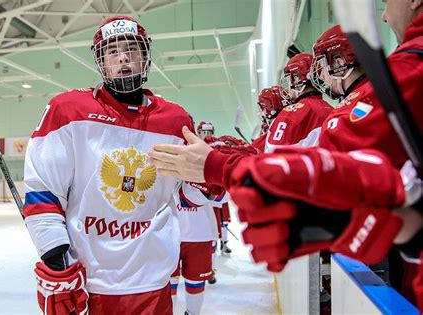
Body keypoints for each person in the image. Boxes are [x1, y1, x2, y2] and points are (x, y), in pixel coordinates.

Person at [148, 3, 423, 308]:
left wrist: (217, 165)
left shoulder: (403, 74)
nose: (383, 15)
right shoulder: (379, 83)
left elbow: (292, 168)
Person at [23, 15, 206, 315]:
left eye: (132, 50)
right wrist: (55, 256)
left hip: (153, 281)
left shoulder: (176, 122)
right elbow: (43, 189)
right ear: (101, 61)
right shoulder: (68, 111)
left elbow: (187, 196)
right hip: (90, 281)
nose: (123, 58)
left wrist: (207, 181)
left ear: (145, 57)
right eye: (112, 51)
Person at [171, 181, 229, 315]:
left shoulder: (202, 163)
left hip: (199, 234)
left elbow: (223, 197)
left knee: (195, 279)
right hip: (168, 232)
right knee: (169, 280)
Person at [266, 53, 333, 152]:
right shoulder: (332, 110)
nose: (288, 88)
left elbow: (273, 155)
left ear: (297, 79)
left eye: (290, 79)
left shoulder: (289, 114)